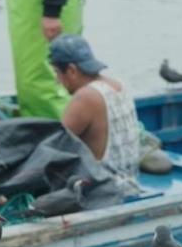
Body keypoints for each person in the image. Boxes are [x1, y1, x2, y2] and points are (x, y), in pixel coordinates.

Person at [1, 0, 85, 119]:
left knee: (43, 84)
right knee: (50, 81)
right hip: (38, 12)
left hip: (44, 17)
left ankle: (65, 138)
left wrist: (51, 14)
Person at [49, 35, 142, 196]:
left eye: (57, 73)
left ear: (71, 70)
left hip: (104, 193)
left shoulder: (86, 97)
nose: (58, 81)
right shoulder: (118, 84)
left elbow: (52, 148)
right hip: (131, 181)